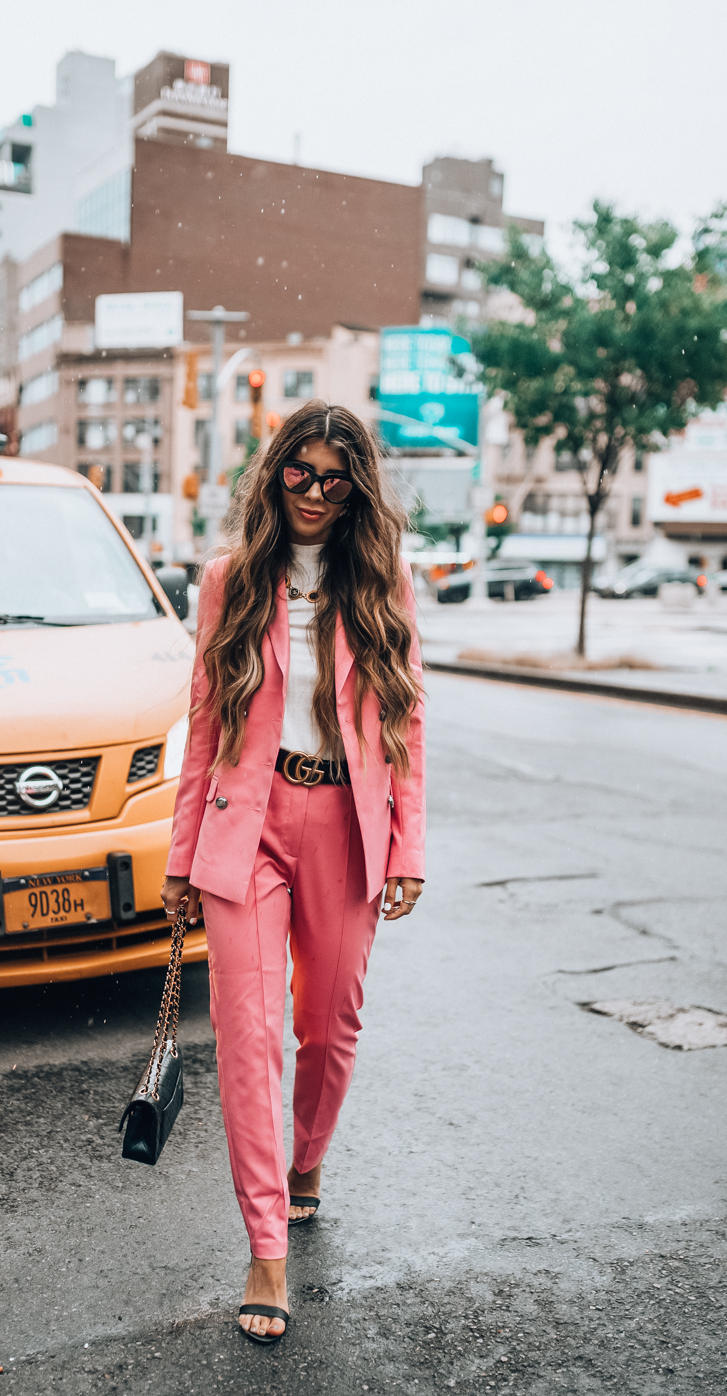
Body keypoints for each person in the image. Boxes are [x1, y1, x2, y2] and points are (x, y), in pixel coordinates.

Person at [161, 400, 425, 1345]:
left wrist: (409, 843)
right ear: (276, 476)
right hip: (249, 824)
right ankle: (265, 1245)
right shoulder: (232, 580)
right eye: (298, 473)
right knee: (246, 1035)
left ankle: (308, 1159)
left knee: (328, 1022)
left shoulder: (380, 577)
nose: (314, 492)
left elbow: (406, 719)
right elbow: (204, 725)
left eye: (333, 477)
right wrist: (182, 853)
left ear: (357, 487)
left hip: (349, 822)